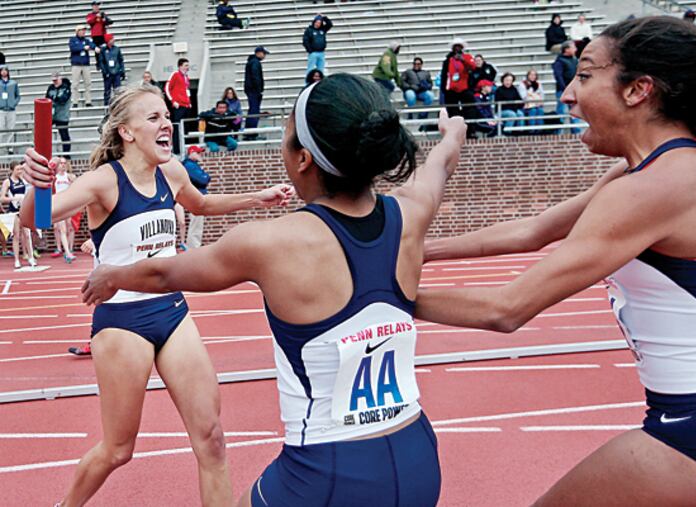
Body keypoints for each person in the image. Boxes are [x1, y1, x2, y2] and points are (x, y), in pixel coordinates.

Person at [80, 73, 466, 507]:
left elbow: (165, 275)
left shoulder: (269, 242)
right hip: (418, 459)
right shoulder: (411, 212)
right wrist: (452, 134)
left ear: (302, 159)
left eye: (284, 136)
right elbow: (439, 166)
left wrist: (113, 276)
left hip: (326, 473)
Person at [419, 18, 696, 505]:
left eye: (584, 76)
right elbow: (532, 231)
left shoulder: (656, 189)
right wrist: (414, 251)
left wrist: (379, 292)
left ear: (639, 90)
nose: (567, 96)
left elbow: (506, 308)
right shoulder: (675, 166)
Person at [21, 82, 295, 506]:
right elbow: (36, 218)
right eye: (154, 118)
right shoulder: (102, 183)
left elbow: (200, 204)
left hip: (172, 312)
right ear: (127, 133)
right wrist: (35, 185)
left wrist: (256, 198)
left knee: (212, 439)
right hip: (122, 322)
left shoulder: (173, 173)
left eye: (167, 116)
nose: (166, 123)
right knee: (119, 450)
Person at [440, 38, 478, 138]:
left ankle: (471, 131)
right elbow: (444, 74)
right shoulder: (448, 60)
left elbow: (473, 67)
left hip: (465, 88)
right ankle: (455, 132)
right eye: (455, 47)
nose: (457, 49)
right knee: (453, 111)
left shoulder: (467, 57)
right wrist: (444, 89)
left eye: (459, 47)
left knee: (470, 109)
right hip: (452, 90)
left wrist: (463, 59)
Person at [1, 162, 33, 269]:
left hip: (24, 210)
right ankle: (17, 260)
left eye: (21, 169)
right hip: (14, 211)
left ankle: (31, 257)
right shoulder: (7, 182)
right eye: (18, 169)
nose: (20, 171)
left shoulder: (23, 180)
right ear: (12, 170)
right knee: (16, 235)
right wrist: (14, 198)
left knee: (27, 235)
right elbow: (2, 198)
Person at [182, 145, 211, 248]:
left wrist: (206, 177)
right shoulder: (189, 165)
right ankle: (193, 248)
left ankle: (193, 248)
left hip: (197, 197)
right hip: (195, 198)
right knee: (196, 225)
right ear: (191, 153)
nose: (200, 155)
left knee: (197, 225)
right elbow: (203, 179)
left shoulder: (193, 165)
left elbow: (206, 178)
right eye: (198, 153)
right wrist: (205, 176)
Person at [552, 41, 581, 134]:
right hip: (563, 90)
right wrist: (565, 88)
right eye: (573, 47)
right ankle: (559, 131)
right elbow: (558, 76)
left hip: (574, 91)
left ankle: (576, 131)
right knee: (562, 112)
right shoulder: (559, 61)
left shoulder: (575, 60)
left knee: (575, 111)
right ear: (566, 49)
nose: (575, 49)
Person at [51, 158, 77, 263]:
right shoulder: (54, 178)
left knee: (69, 227)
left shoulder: (70, 177)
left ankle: (69, 249)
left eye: (64, 163)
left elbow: (76, 189)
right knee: (61, 229)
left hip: (68, 204)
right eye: (60, 163)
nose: (62, 165)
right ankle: (66, 252)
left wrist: (72, 183)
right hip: (58, 204)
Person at [165, 58, 192, 154]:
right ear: (180, 66)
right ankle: (177, 150)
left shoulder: (186, 77)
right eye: (186, 65)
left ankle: (184, 147)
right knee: (177, 127)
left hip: (186, 105)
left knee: (186, 127)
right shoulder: (175, 75)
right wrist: (173, 101)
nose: (187, 67)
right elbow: (167, 88)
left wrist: (189, 102)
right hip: (178, 105)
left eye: (188, 65)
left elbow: (186, 91)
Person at [69, 25, 97, 108]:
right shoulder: (73, 40)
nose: (83, 32)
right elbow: (73, 48)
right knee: (75, 84)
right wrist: (83, 48)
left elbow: (92, 45)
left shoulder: (86, 40)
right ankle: (75, 101)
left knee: (88, 83)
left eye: (84, 30)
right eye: (81, 30)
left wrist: (95, 48)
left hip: (85, 64)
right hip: (76, 64)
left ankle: (88, 101)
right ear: (77, 31)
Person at [243, 46, 268, 141]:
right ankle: (251, 133)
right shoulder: (255, 63)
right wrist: (259, 90)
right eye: (264, 53)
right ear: (259, 53)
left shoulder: (252, 62)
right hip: (254, 90)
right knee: (254, 111)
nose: (265, 56)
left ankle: (249, 132)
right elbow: (255, 77)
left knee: (252, 111)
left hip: (251, 90)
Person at [46, 72, 72, 155]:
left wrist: (54, 99)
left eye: (56, 80)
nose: (55, 82)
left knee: (64, 135)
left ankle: (66, 154)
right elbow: (47, 98)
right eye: (53, 81)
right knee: (43, 130)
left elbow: (63, 99)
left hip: (62, 115)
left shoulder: (66, 88)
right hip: (52, 115)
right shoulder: (51, 88)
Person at [97, 33, 125, 108]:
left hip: (116, 72)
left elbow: (120, 60)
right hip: (108, 73)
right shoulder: (103, 50)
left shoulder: (117, 49)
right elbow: (101, 62)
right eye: (112, 39)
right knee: (107, 91)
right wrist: (105, 71)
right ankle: (106, 106)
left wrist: (122, 71)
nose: (113, 40)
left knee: (118, 90)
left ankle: (118, 105)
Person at [517, 69, 545, 133]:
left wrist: (534, 98)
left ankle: (540, 130)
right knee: (533, 110)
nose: (533, 76)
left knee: (540, 110)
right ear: (528, 76)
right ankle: (531, 129)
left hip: (537, 104)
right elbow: (523, 96)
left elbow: (542, 95)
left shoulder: (538, 84)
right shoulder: (523, 84)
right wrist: (534, 97)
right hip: (526, 105)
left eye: (534, 75)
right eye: (531, 75)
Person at [0, 65, 20, 154]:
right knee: (1, 127)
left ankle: (9, 146)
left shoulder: (13, 83)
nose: (4, 72)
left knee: (11, 128)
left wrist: (13, 103)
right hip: (1, 109)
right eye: (2, 70)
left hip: (11, 109)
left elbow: (18, 95)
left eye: (5, 70)